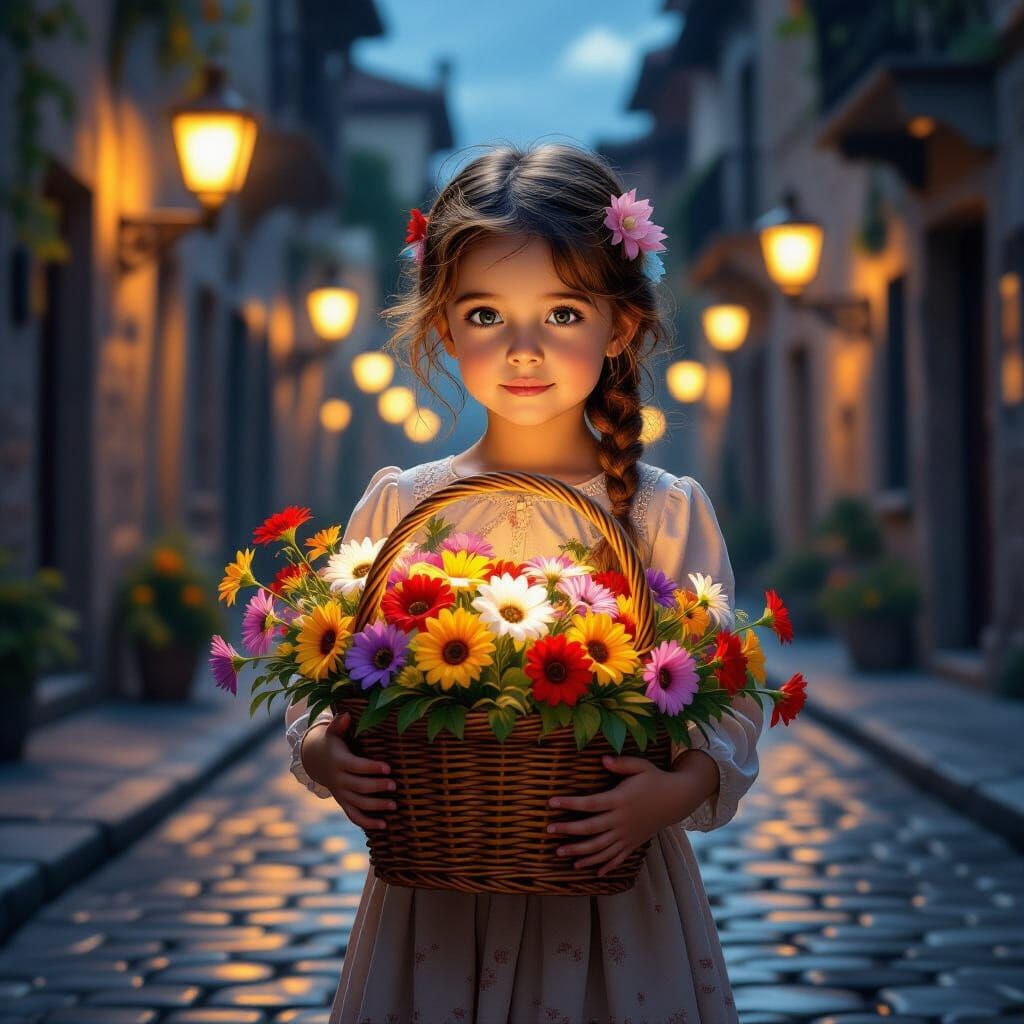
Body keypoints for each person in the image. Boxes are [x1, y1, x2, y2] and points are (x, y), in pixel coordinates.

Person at [283, 142, 764, 1023]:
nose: (524, 350)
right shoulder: (402, 503)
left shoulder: (663, 514)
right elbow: (328, 673)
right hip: (434, 900)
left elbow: (727, 694)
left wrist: (674, 789)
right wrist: (323, 747)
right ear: (442, 325)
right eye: (484, 315)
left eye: (564, 315)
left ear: (619, 325)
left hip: (614, 893)